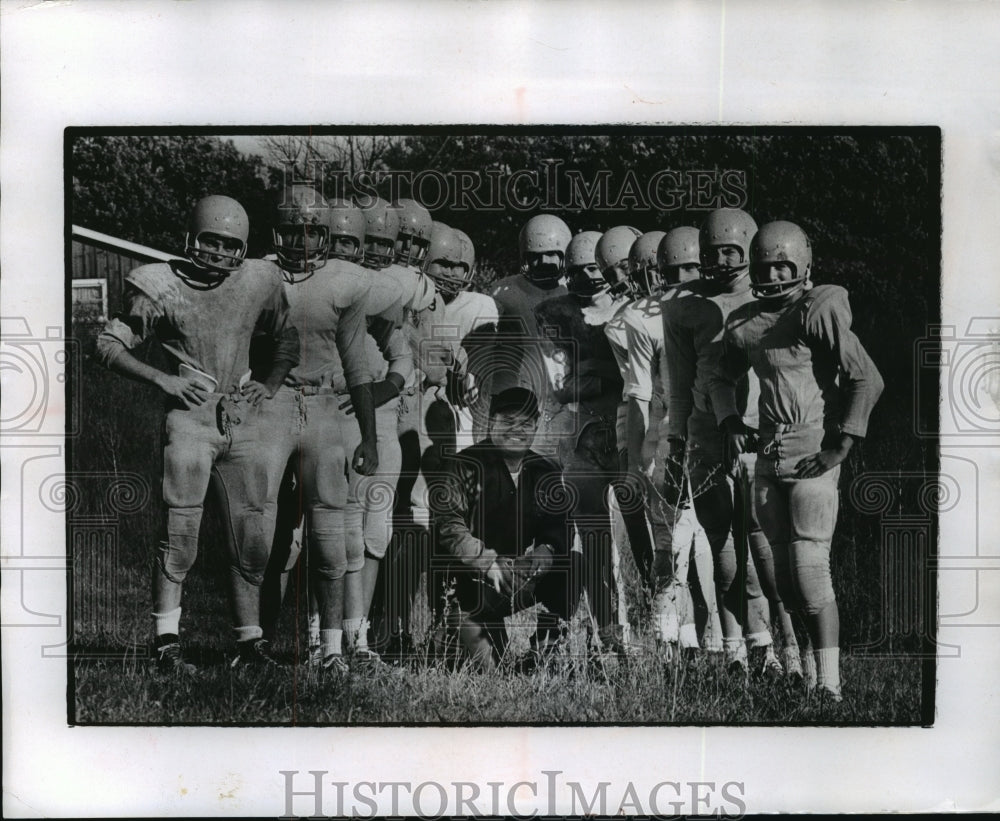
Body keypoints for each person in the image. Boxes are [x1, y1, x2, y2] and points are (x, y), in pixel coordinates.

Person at [95, 195, 300, 672]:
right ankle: (166, 644)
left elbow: (284, 340)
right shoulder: (159, 284)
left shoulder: (259, 279)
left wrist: (267, 386)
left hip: (241, 415)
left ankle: (249, 645)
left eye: (231, 245)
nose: (219, 253)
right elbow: (106, 344)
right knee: (179, 531)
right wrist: (163, 378)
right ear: (191, 237)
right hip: (190, 417)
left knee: (252, 533)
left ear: (243, 247)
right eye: (211, 241)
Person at [721, 221, 883, 700]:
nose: (772, 273)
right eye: (765, 265)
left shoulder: (818, 306)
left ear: (804, 266)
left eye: (782, 265)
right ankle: (811, 678)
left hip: (813, 449)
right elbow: (721, 376)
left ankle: (831, 686)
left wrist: (842, 444)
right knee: (782, 582)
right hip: (769, 456)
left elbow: (866, 379)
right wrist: (731, 417)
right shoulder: (743, 321)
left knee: (811, 573)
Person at [254, 186, 382, 672]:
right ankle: (257, 642)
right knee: (264, 530)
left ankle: (330, 647)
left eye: (313, 231)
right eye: (294, 231)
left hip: (326, 406)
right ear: (277, 233)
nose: (304, 241)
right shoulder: (259, 275)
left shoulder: (344, 282)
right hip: (272, 406)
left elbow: (357, 366)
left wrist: (368, 436)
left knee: (330, 532)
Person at [662, 207, 787, 677]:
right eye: (712, 252)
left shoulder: (773, 296)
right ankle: (741, 647)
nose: (722, 261)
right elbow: (680, 383)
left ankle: (772, 645)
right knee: (722, 546)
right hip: (706, 432)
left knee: (765, 547)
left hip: (762, 431)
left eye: (733, 250)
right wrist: (676, 441)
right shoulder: (684, 306)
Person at [622, 226, 722, 659]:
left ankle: (723, 642)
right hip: (670, 435)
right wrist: (640, 458)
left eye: (693, 266)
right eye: (674, 268)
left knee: (720, 545)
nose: (684, 276)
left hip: (718, 434)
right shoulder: (641, 317)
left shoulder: (722, 306)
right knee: (671, 544)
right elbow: (640, 396)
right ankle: (668, 641)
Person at [431, 387, 571, 671]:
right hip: (468, 587)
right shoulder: (461, 465)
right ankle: (450, 636)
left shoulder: (545, 470)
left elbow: (559, 524)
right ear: (490, 422)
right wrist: (488, 562)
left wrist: (547, 549)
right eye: (508, 421)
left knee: (573, 563)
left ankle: (544, 650)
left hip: (514, 578)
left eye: (526, 423)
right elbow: (450, 528)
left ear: (535, 427)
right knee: (489, 671)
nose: (517, 429)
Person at [490, 214, 572, 459]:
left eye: (550, 254)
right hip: (522, 397)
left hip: (568, 398)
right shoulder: (504, 293)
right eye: (534, 256)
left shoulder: (575, 289)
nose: (542, 262)